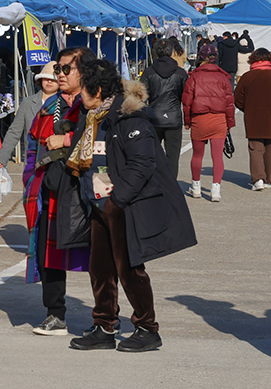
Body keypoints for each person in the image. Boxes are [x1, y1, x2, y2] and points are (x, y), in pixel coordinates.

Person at [68, 59, 197, 353]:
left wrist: (117, 201)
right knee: (100, 270)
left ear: (98, 90)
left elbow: (142, 164)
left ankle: (147, 328)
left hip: (123, 206)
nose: (79, 96)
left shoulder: (129, 118)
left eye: (83, 90)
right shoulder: (91, 118)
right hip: (97, 205)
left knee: (129, 270)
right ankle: (104, 325)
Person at [24, 47, 94, 336]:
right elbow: (32, 145)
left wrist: (65, 138)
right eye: (58, 70)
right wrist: (31, 180)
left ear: (85, 73)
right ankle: (55, 314)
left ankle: (106, 316)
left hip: (86, 192)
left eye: (66, 69)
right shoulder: (48, 106)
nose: (59, 75)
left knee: (99, 256)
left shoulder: (96, 105)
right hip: (51, 191)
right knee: (48, 254)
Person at [182, 43, 236, 202]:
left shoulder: (194, 77)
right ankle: (215, 190)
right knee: (217, 156)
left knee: (197, 155)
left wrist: (187, 121)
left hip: (200, 118)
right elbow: (229, 103)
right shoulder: (223, 77)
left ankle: (196, 186)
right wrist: (230, 124)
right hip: (218, 119)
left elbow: (187, 102)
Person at [234, 48, 271, 191]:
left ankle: (258, 179)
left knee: (256, 149)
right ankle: (269, 179)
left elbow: (237, 98)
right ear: (269, 60)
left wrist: (248, 109)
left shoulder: (247, 76)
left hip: (253, 118)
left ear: (253, 60)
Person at [140, 39, 188, 178]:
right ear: (172, 52)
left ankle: (154, 183)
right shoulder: (180, 73)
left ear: (156, 52)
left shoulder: (148, 72)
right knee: (172, 157)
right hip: (173, 117)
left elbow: (141, 97)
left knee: (152, 154)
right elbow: (185, 96)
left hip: (154, 117)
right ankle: (171, 185)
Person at [0, 61, 58, 167]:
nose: (49, 81)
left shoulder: (66, 104)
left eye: (53, 79)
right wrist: (1, 160)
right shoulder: (28, 103)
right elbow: (14, 132)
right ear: (40, 79)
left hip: (57, 164)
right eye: (46, 77)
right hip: (33, 163)